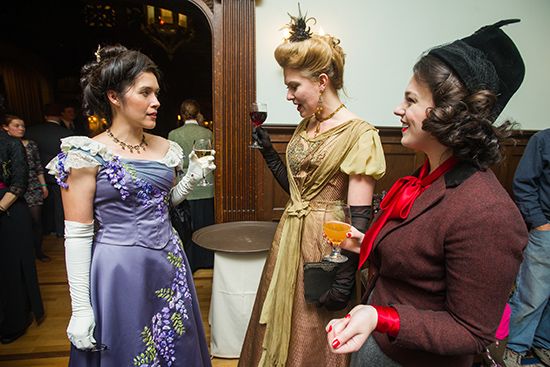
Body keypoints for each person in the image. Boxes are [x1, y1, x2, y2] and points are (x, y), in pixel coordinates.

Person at [325, 20, 528, 367]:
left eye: (411, 100)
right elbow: (419, 263)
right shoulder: (426, 177)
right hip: (376, 347)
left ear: (447, 114)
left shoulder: (489, 213)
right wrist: (368, 244)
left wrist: (382, 318)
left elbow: (471, 331)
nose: (398, 109)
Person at [46, 45, 214, 366]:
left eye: (157, 93)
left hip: (169, 264)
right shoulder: (86, 153)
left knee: (176, 347)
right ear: (114, 97)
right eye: (145, 93)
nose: (156, 102)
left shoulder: (166, 146)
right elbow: (78, 235)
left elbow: (161, 204)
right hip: (119, 270)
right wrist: (80, 307)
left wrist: (191, 177)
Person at [239, 7, 386, 367]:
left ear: (322, 81)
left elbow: (359, 216)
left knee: (313, 334)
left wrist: (344, 277)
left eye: (294, 86)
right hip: (290, 239)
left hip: (327, 247)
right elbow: (299, 192)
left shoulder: (359, 133)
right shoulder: (306, 127)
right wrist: (272, 155)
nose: (289, 95)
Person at [503, 128, 550, 367]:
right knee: (532, 294)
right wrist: (540, 224)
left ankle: (543, 343)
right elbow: (523, 183)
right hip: (546, 231)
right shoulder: (542, 140)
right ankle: (513, 348)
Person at [0, 101, 44, 344]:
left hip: (13, 204)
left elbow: (21, 180)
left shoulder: (13, 145)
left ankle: (16, 320)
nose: (21, 128)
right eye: (17, 125)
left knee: (12, 268)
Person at [168, 99, 215, 272]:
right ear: (198, 113)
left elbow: (174, 164)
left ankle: (190, 263)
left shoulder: (173, 134)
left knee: (186, 227)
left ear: (182, 114)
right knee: (205, 226)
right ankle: (207, 261)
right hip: (207, 185)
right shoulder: (208, 133)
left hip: (184, 188)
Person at [2, 115, 50, 261]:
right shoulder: (4, 146)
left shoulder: (31, 144)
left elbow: (37, 166)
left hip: (33, 186)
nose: (21, 128)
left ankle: (38, 251)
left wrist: (43, 185)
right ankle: (23, 252)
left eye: (23, 126)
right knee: (20, 222)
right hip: (12, 189)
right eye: (16, 125)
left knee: (36, 221)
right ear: (5, 127)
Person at [26, 103, 74, 237]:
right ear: (59, 116)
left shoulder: (31, 131)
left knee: (42, 204)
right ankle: (59, 230)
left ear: (45, 116)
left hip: (36, 175)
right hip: (59, 173)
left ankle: (45, 230)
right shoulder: (66, 134)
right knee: (60, 203)